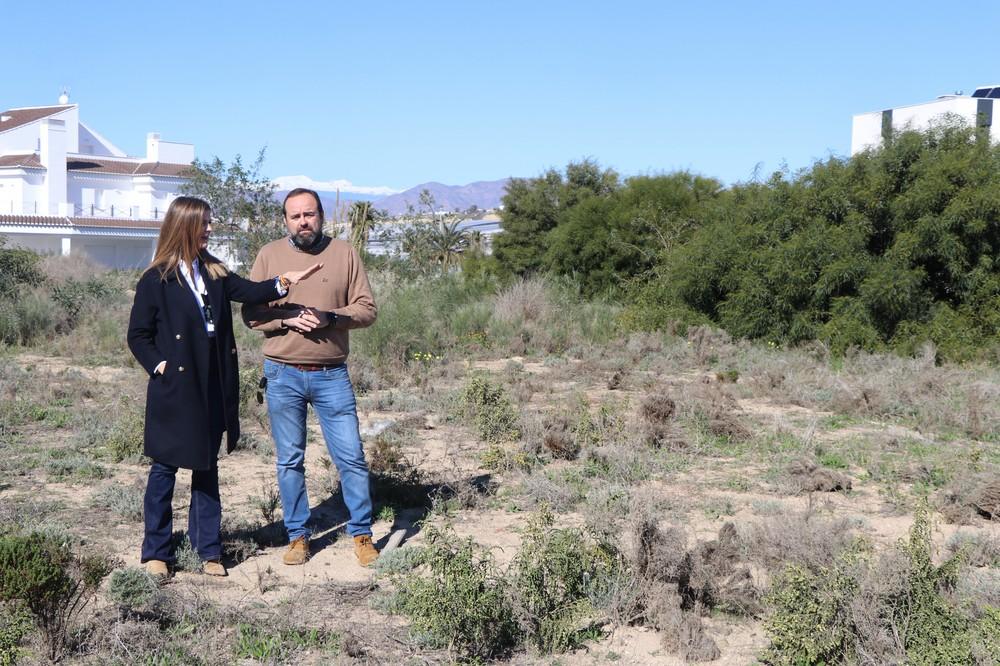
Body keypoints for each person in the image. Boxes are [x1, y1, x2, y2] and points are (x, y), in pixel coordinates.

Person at [127, 196, 320, 579]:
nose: (210, 230)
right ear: (185, 227)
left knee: (207, 467)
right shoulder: (156, 279)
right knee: (164, 470)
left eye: (210, 224)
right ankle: (156, 553)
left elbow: (249, 291)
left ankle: (209, 550)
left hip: (212, 383)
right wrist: (161, 367)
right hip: (174, 389)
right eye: (204, 224)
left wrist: (283, 283)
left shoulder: (214, 271)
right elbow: (138, 335)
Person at [241, 187, 379, 567]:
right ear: (285, 220)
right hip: (282, 374)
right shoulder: (269, 255)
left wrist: (331, 317)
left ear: (321, 216)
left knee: (351, 456)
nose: (304, 221)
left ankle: (362, 534)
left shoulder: (344, 254)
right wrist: (286, 319)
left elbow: (367, 310)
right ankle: (298, 536)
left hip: (331, 374)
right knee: (289, 460)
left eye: (310, 214)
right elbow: (251, 314)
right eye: (296, 216)